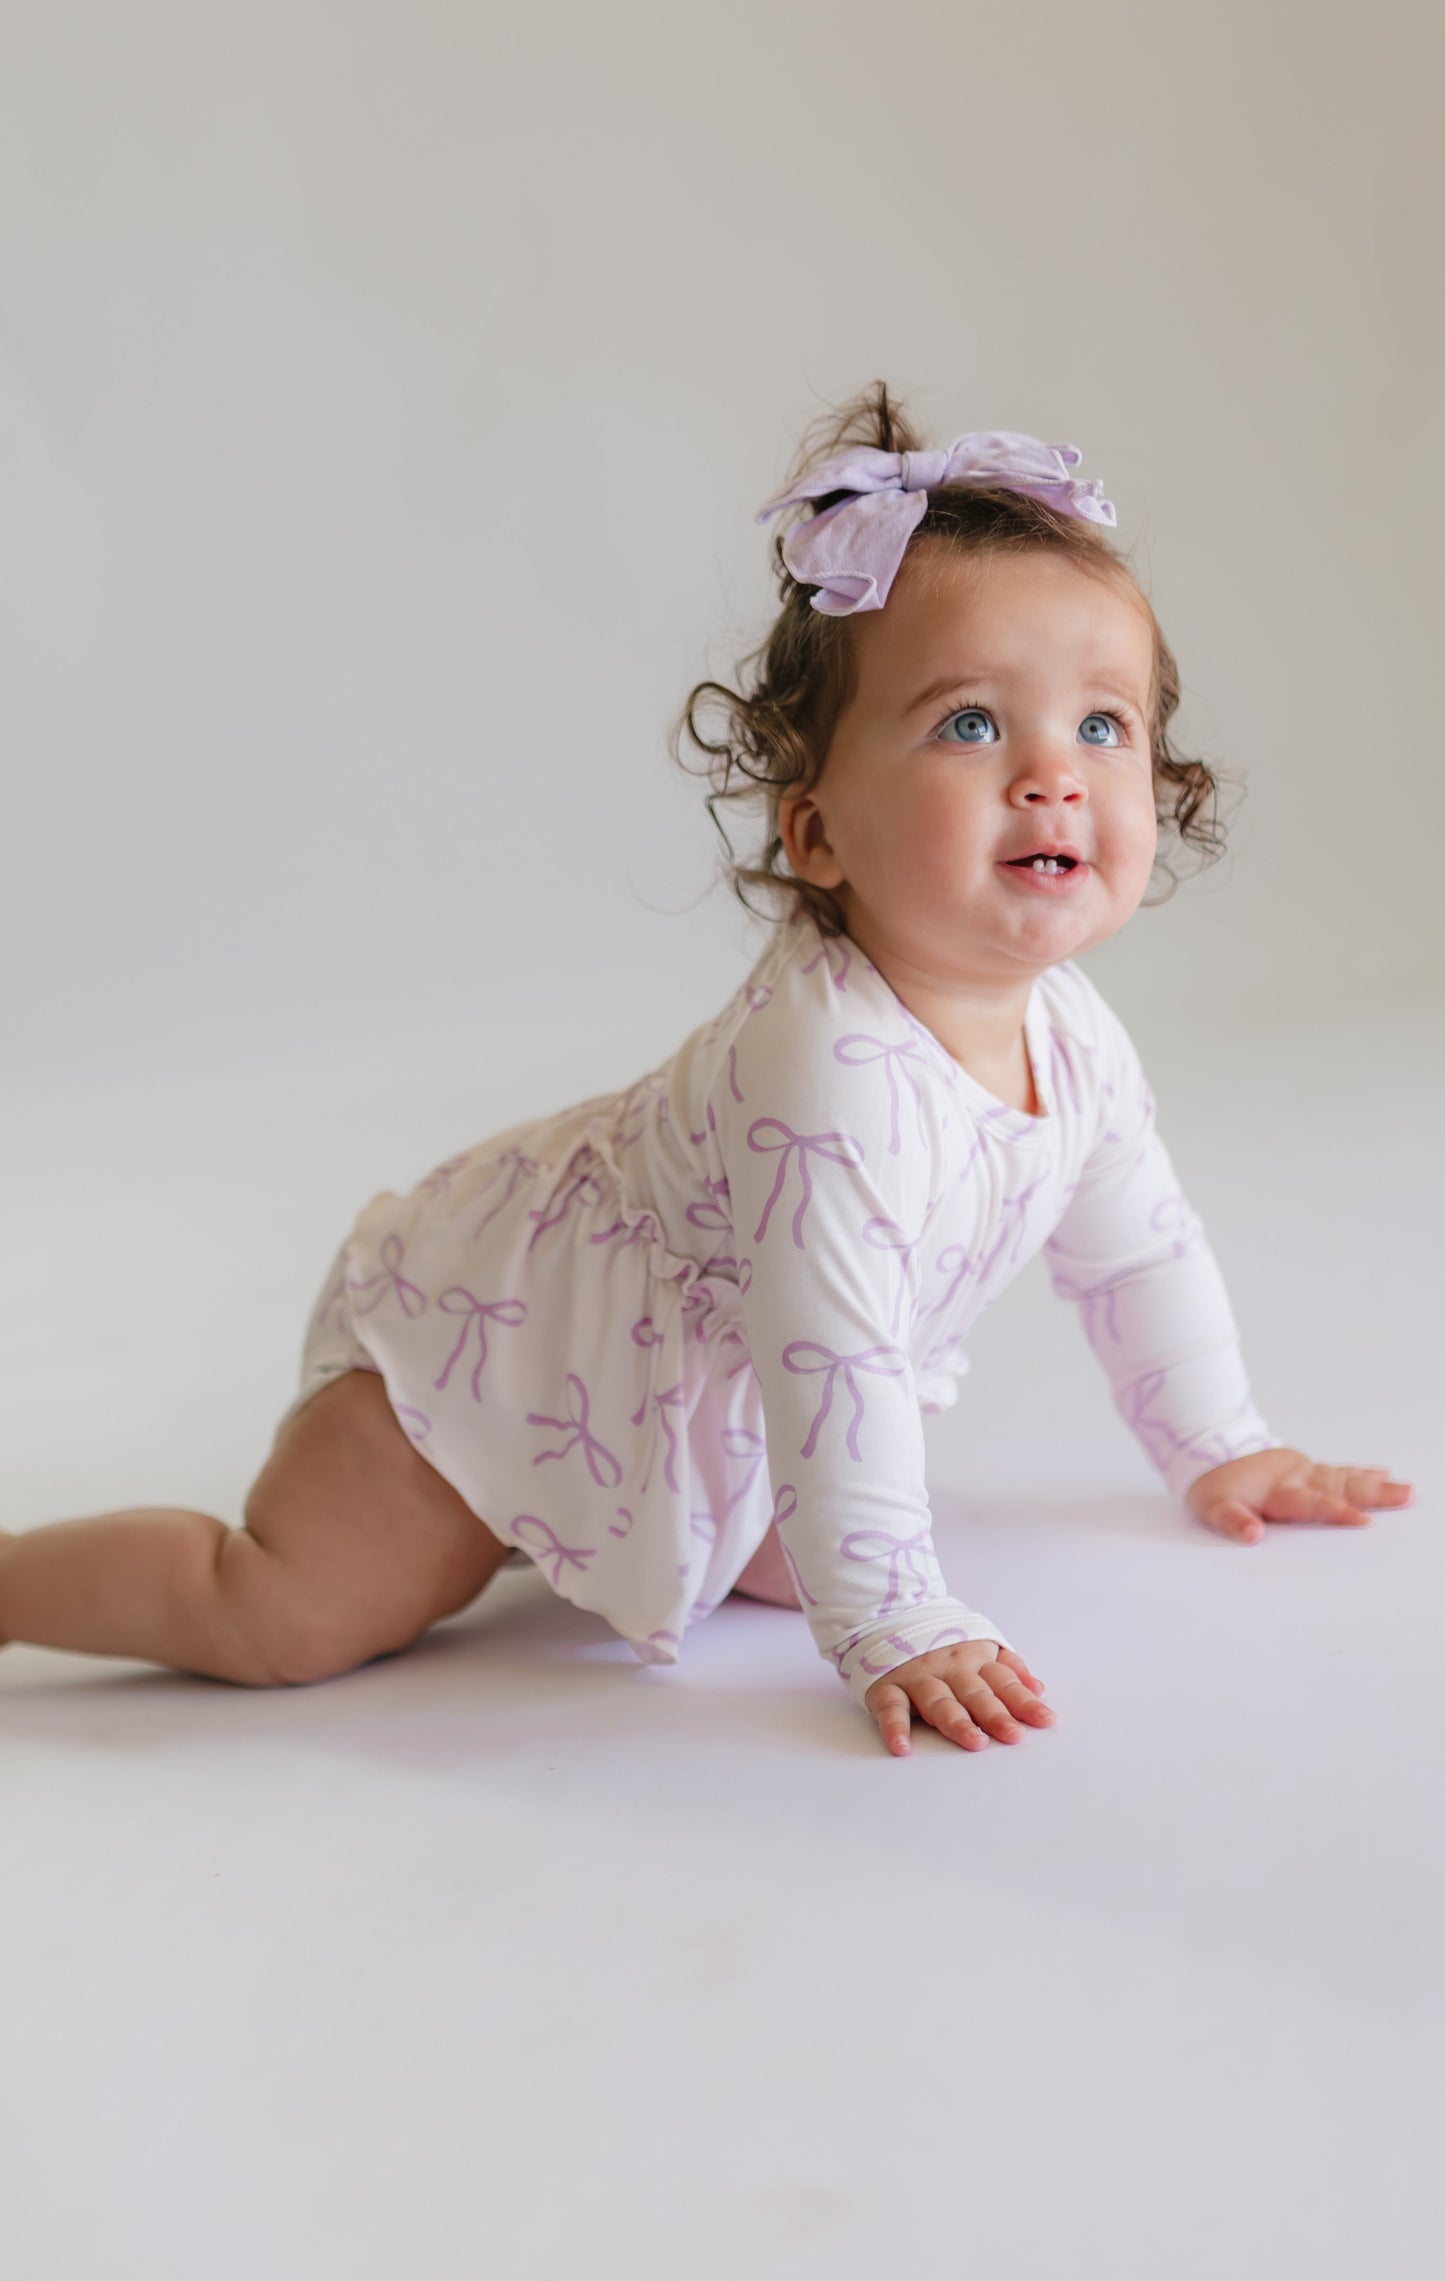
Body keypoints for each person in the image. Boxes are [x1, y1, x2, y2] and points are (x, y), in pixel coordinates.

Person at [0, 383, 1415, 1756]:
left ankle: (613, 1520)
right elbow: (833, 1361)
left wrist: (1218, 1444)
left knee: (811, 1524)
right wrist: (890, 1614)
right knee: (296, 1615)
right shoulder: (828, 1074)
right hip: (490, 1362)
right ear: (816, 834)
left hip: (686, 1400)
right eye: (969, 724)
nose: (1052, 773)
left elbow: (1134, 1251)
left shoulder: (1072, 1033)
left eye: (1100, 725)